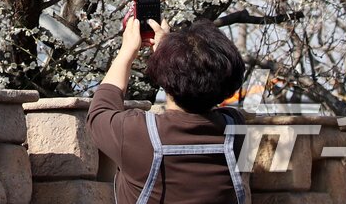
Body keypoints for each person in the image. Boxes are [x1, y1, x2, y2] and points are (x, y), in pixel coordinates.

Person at [87, 14, 248, 204]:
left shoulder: (137, 133)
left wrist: (127, 52)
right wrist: (168, 56)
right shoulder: (235, 130)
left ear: (164, 78)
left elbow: (100, 110)